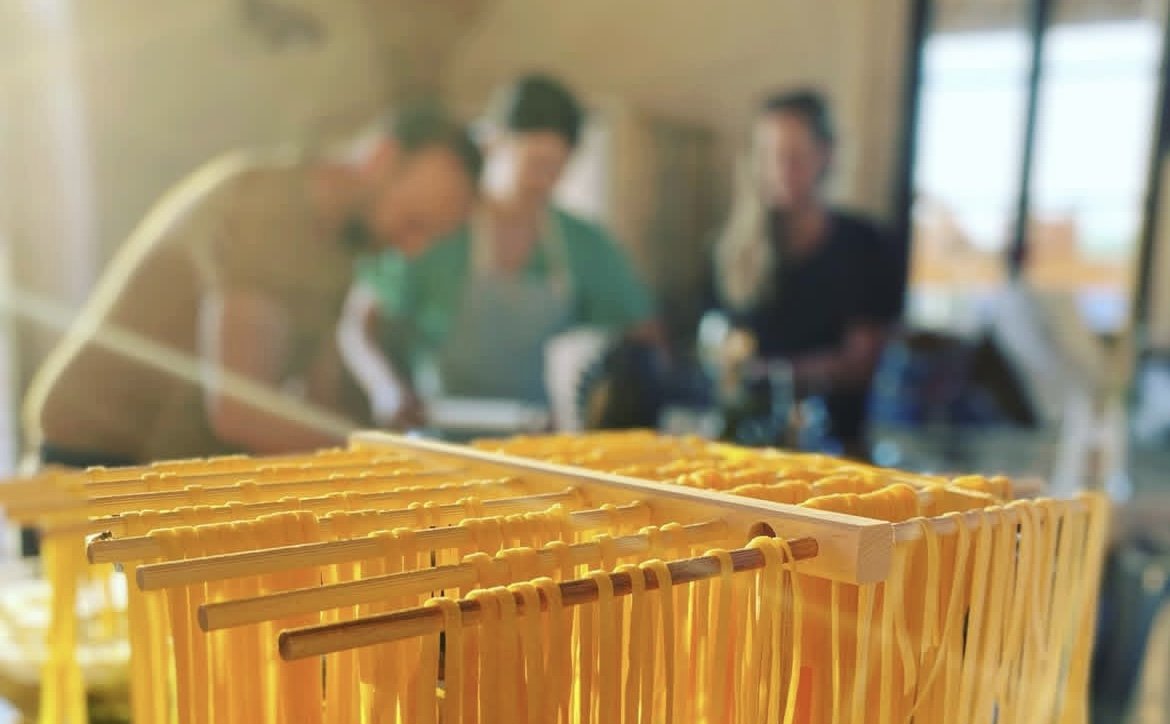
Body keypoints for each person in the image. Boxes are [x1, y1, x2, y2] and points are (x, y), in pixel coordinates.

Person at [21, 103, 482, 467]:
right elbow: (241, 412)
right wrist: (387, 451)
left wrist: (379, 423)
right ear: (381, 158)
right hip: (93, 465)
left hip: (166, 476)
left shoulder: (341, 247)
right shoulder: (266, 208)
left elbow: (313, 403)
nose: (412, 249)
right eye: (413, 223)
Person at [337, 74, 659, 431]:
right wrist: (385, 388)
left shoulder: (583, 244)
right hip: (440, 440)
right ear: (495, 144)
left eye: (556, 169)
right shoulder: (437, 226)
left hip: (535, 439)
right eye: (534, 164)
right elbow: (359, 325)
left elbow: (642, 332)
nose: (543, 182)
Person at [711, 88, 901, 455]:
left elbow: (860, 364)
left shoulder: (866, 245)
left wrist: (769, 375)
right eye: (770, 156)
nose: (781, 170)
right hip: (748, 449)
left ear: (825, 155)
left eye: (795, 156)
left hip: (839, 450)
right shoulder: (730, 252)